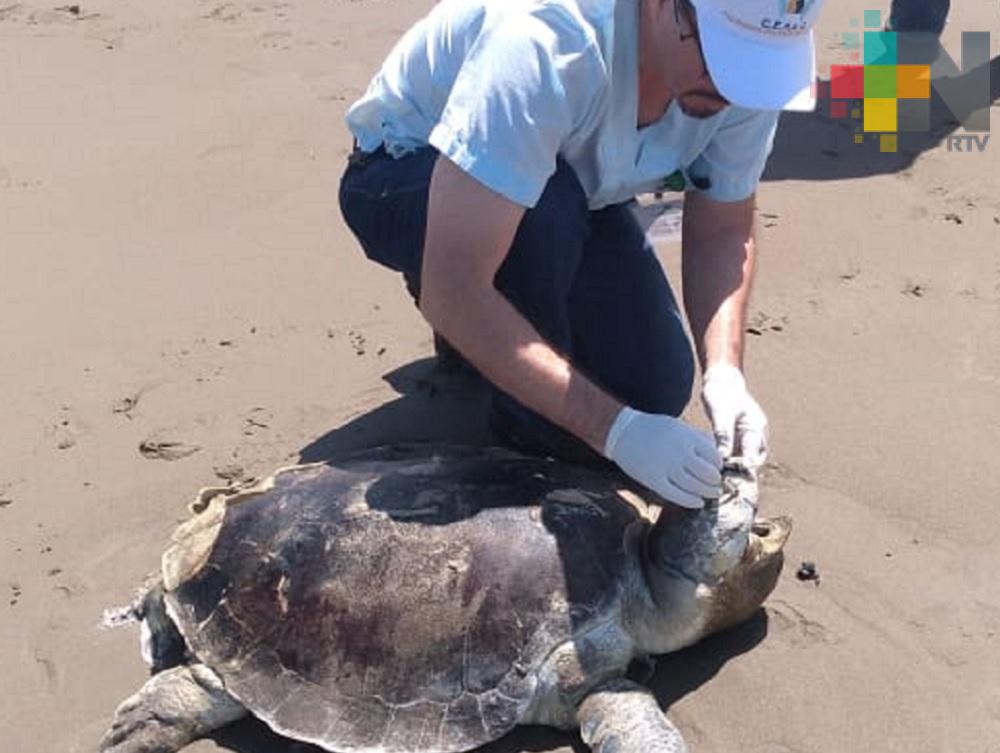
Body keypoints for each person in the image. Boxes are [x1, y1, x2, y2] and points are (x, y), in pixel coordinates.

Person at [339, 0, 826, 510]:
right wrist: (613, 432)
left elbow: (723, 229)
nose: (732, 87)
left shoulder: (742, 74)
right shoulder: (544, 42)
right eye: (720, 55)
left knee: (653, 386)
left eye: (756, 64)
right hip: (402, 171)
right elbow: (454, 289)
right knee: (545, 215)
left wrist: (725, 375)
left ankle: (501, 318)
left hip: (575, 185)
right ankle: (520, 430)